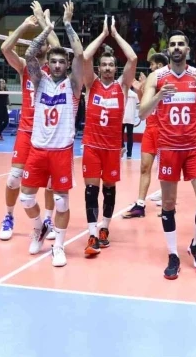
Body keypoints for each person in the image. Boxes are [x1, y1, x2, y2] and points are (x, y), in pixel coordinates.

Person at [138, 31, 196, 279]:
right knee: (168, 204)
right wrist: (158, 95)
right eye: (173, 44)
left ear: (187, 49)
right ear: (168, 50)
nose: (176, 48)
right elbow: (142, 113)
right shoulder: (157, 77)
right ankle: (172, 254)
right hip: (168, 148)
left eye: (181, 44)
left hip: (194, 148)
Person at [19, 1, 84, 267]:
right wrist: (46, 28)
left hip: (61, 151)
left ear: (66, 65)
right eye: (53, 61)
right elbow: (29, 54)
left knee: (61, 201)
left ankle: (59, 246)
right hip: (37, 149)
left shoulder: (74, 85)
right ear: (48, 63)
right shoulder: (39, 80)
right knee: (26, 197)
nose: (57, 65)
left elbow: (80, 55)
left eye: (61, 62)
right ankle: (39, 228)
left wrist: (66, 24)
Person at [0, 5, 60, 242]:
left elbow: (57, 45)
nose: (41, 42)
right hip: (26, 131)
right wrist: (24, 25)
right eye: (37, 40)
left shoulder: (55, 70)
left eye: (43, 40)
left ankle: (48, 220)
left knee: (50, 182)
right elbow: (5, 48)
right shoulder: (25, 67)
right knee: (14, 178)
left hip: (47, 132)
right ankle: (8, 216)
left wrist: (46, 24)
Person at [80, 16, 137, 256]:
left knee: (109, 189)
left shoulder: (122, 87)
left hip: (112, 148)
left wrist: (115, 34)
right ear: (99, 68)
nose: (106, 68)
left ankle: (105, 228)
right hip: (92, 146)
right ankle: (92, 234)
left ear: (115, 68)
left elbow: (133, 59)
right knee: (91, 190)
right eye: (103, 65)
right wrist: (103, 35)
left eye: (110, 65)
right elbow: (85, 57)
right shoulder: (90, 84)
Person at [122, 53, 169, 218]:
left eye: (152, 64)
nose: (150, 67)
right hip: (150, 129)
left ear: (160, 65)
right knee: (144, 167)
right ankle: (140, 205)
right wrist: (140, 90)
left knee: (165, 171)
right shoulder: (149, 83)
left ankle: (167, 205)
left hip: (164, 130)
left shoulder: (168, 83)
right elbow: (143, 107)